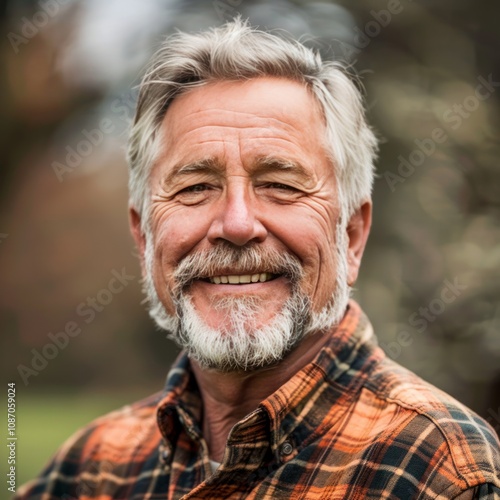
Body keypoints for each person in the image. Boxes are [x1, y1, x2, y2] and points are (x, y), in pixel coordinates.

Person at [16, 19, 500, 500]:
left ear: (351, 236)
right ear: (144, 236)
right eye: (195, 187)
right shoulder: (93, 468)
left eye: (281, 185)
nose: (238, 224)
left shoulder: (438, 467)